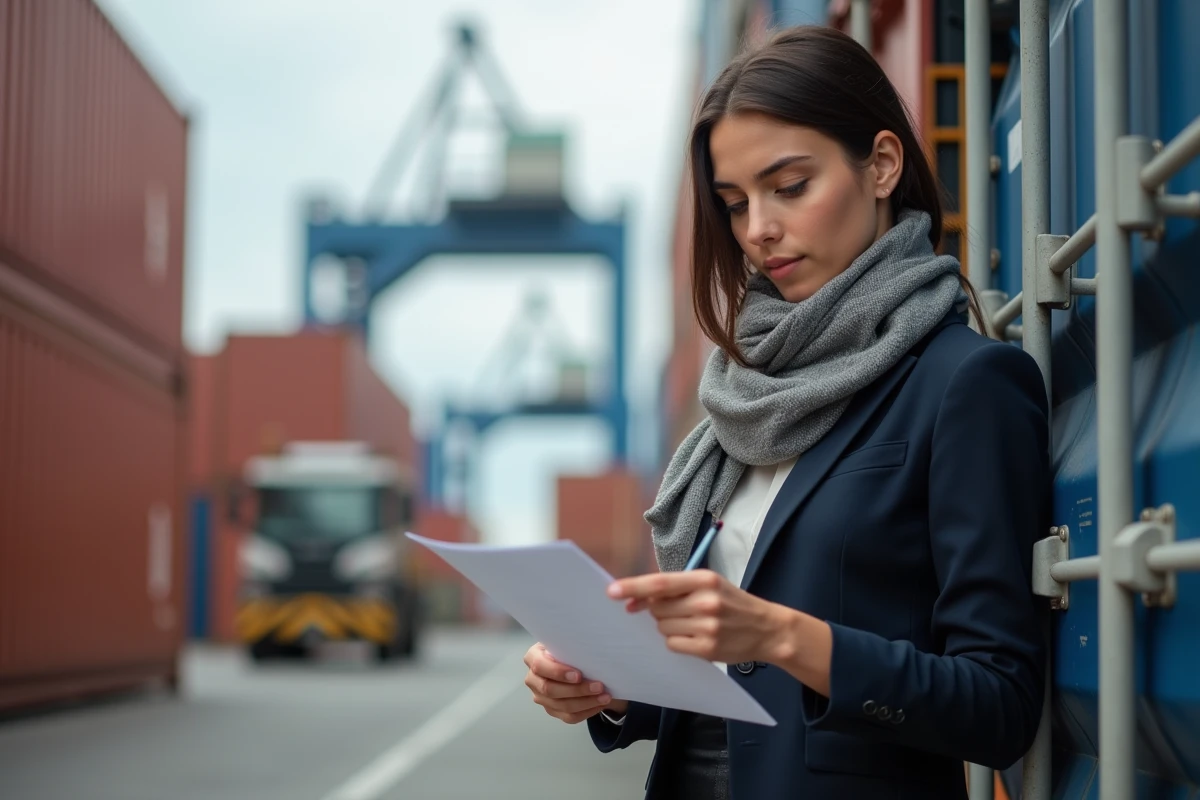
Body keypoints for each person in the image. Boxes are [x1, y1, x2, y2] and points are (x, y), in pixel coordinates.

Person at [523, 24, 1047, 800]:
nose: (758, 229)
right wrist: (617, 688)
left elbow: (997, 705)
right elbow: (738, 693)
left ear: (881, 164)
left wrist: (783, 636)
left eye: (790, 186)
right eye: (735, 204)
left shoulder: (967, 385)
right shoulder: (745, 397)